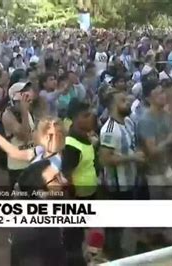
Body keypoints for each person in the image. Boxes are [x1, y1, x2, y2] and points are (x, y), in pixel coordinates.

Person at [99, 90, 145, 259]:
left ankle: (127, 249)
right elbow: (105, 159)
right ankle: (113, 255)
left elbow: (132, 144)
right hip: (117, 185)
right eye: (123, 100)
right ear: (113, 105)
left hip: (131, 179)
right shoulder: (109, 129)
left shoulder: (128, 122)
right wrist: (132, 157)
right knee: (114, 224)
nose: (127, 102)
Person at [10, 159, 68, 266]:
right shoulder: (34, 231)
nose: (64, 181)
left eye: (61, 175)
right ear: (41, 193)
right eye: (56, 179)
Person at [62, 99, 97, 266]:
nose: (91, 118)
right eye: (86, 115)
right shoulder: (71, 145)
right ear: (76, 120)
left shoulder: (86, 137)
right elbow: (66, 175)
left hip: (89, 193)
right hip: (77, 199)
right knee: (74, 239)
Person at [137, 80, 172, 199]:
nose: (163, 96)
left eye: (163, 92)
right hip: (154, 173)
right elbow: (152, 151)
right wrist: (170, 139)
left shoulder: (166, 115)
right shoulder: (146, 120)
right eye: (159, 93)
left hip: (167, 168)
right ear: (149, 98)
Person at [1, 82, 36, 189]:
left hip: (31, 162)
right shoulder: (7, 115)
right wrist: (24, 111)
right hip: (18, 166)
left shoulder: (28, 111)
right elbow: (24, 137)